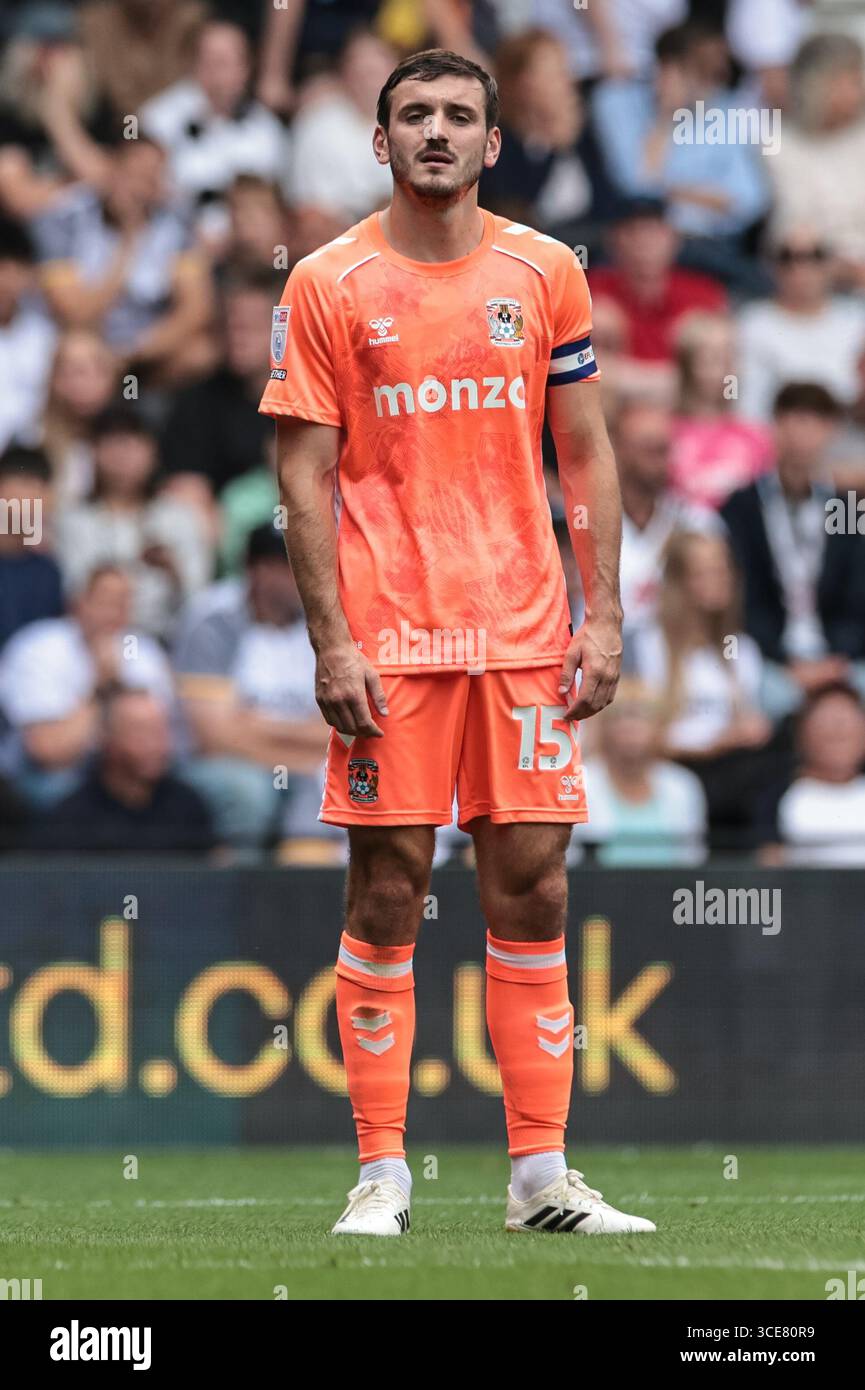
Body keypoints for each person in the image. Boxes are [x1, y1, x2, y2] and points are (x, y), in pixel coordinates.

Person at [259, 47, 654, 1239]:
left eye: (460, 116)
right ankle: (381, 1170)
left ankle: (541, 1177)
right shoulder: (325, 283)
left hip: (526, 635)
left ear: (492, 141)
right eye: (414, 114)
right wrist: (331, 642)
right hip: (390, 639)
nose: (438, 131)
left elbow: (583, 452)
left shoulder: (545, 273)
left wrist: (606, 612)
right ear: (380, 142)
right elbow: (303, 478)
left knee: (532, 889)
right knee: (386, 891)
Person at [172, 523, 331, 857]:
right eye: (292, 566)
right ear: (259, 570)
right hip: (217, 765)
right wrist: (303, 755)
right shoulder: (215, 619)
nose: (306, 576)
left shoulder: (321, 621)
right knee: (250, 792)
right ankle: (241, 899)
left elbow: (339, 730)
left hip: (304, 762)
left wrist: (254, 723)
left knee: (339, 786)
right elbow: (213, 737)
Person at [721, 383, 865, 699]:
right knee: (761, 695)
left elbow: (858, 594)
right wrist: (783, 660)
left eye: (815, 422)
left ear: (831, 430)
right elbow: (743, 594)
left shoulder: (848, 506)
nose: (803, 434)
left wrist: (836, 659)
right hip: (769, 659)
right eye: (794, 419)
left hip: (840, 659)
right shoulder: (742, 507)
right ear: (775, 424)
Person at [0, 564, 174, 807]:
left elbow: (156, 739)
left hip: (122, 769)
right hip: (48, 774)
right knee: (64, 792)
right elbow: (47, 752)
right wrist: (100, 686)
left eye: (123, 602)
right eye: (106, 601)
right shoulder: (40, 646)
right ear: (78, 603)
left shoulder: (135, 646)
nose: (115, 613)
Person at [36, 687, 215, 855]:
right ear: (107, 738)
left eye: (160, 731)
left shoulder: (188, 806)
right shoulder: (72, 821)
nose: (155, 744)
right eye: (141, 731)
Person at [570, 678, 707, 866]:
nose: (630, 726)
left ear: (659, 726)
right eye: (619, 716)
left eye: (642, 716)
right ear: (603, 727)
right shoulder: (580, 782)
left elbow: (693, 860)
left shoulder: (683, 786)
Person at [773, 683, 865, 866]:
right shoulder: (774, 799)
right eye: (827, 721)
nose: (839, 731)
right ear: (802, 733)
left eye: (847, 721)